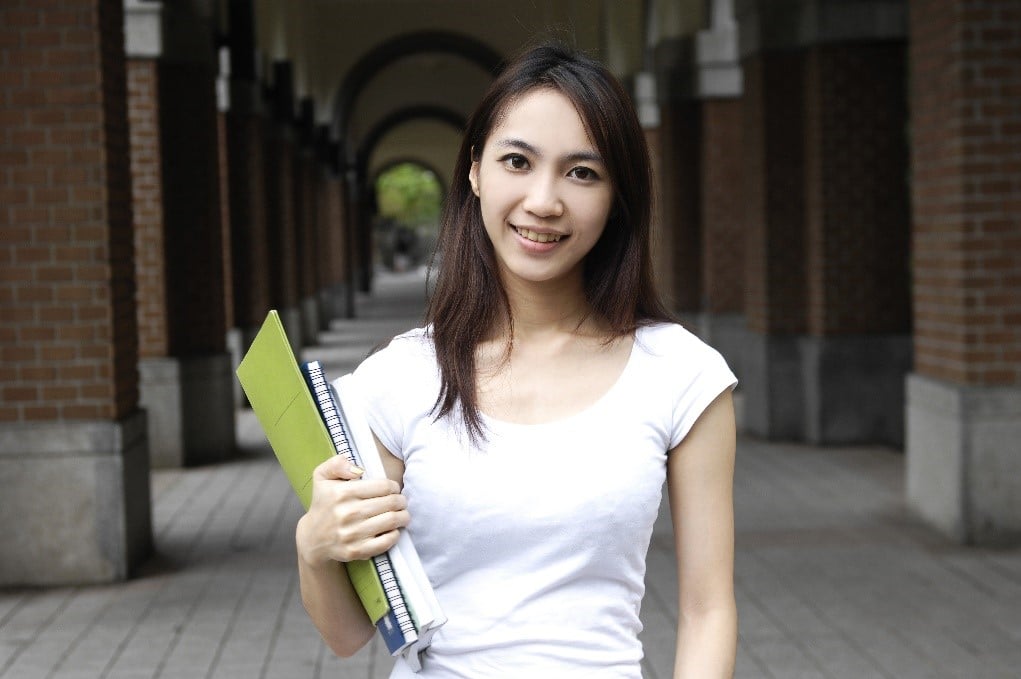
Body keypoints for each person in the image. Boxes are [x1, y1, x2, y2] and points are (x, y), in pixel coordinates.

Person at [295, 42, 738, 678]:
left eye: (582, 172)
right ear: (475, 170)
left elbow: (707, 611)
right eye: (517, 161)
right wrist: (314, 546)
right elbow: (348, 634)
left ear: (617, 197)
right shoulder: (398, 379)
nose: (543, 201)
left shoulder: (680, 374)